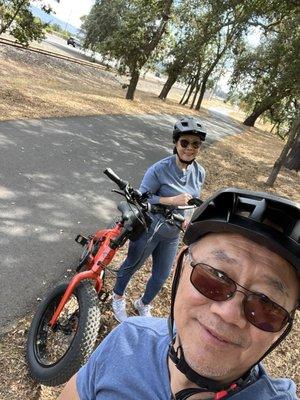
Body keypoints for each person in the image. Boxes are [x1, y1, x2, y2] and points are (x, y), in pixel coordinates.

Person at [57, 188, 299, 400]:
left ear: (283, 328)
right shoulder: (127, 340)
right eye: (215, 277)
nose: (228, 314)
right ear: (181, 268)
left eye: (266, 305)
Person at [111, 116, 206, 322]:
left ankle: (143, 303)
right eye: (184, 142)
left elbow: (190, 202)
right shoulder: (159, 169)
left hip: (171, 234)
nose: (190, 148)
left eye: (196, 144)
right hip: (149, 228)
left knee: (161, 276)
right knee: (132, 265)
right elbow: (142, 198)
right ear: (175, 142)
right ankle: (117, 297)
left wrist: (185, 220)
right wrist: (172, 199)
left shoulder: (199, 173)